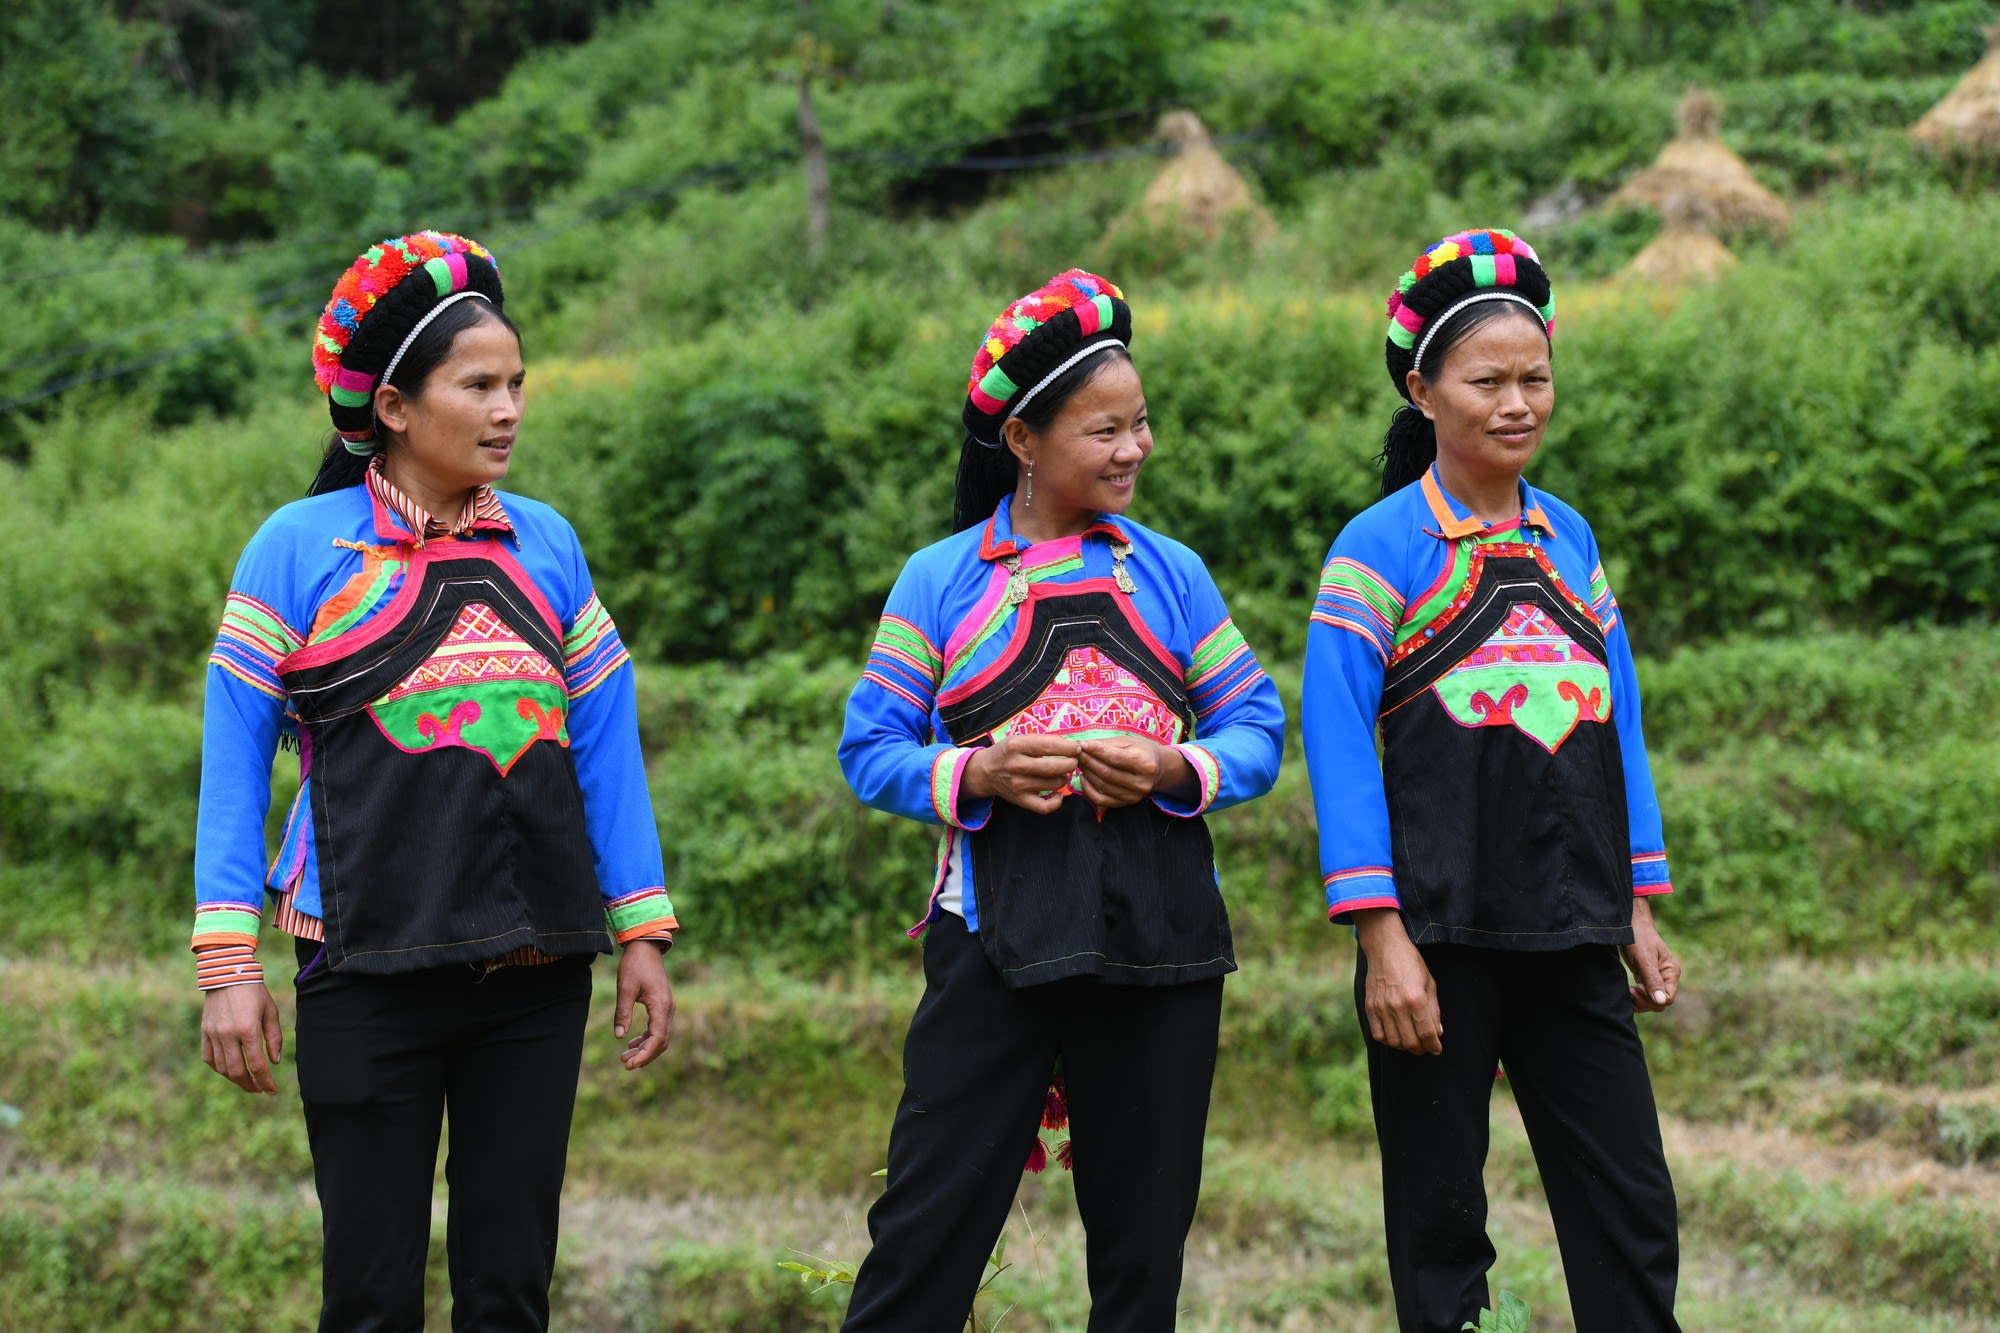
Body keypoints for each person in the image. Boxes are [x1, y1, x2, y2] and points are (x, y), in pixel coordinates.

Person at [192, 230, 679, 1331]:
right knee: (370, 1295)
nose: (508, 410)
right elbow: (234, 759)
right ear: (396, 408)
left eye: (516, 384)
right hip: (364, 962)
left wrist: (640, 930)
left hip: (535, 966)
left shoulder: (546, 544)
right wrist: (228, 964)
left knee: (509, 1290)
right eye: (478, 386)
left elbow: (605, 743)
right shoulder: (297, 548)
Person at [836, 270, 1285, 1330]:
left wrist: (1173, 768)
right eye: (1104, 430)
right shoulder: (942, 578)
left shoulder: (1170, 573)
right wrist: (977, 773)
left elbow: (1255, 729)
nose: (1134, 449)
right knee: (926, 1232)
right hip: (993, 936)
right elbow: (871, 748)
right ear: (1023, 440)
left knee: (1141, 1255)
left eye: (1140, 423)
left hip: (1161, 936)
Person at [1301, 229, 1684, 1332]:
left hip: (1573, 929)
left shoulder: (1569, 538)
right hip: (1438, 939)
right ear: (1422, 391)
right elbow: (1337, 743)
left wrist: (1636, 903)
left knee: (1629, 1210)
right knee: (1439, 1227)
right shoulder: (1377, 548)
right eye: (1486, 381)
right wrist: (1381, 939)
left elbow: (1618, 722)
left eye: (1535, 378)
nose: (1517, 403)